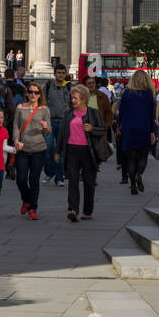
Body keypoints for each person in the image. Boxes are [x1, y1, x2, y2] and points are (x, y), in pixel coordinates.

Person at [55, 84, 106, 220]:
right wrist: (57, 151)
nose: (73, 101)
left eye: (75, 98)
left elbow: (103, 130)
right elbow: (62, 133)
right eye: (72, 98)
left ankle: (87, 211)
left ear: (84, 99)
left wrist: (92, 129)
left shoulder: (93, 113)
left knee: (89, 182)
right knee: (72, 180)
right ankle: (73, 209)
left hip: (88, 151)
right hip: (72, 150)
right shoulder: (68, 113)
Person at [12, 81, 51, 219]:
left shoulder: (44, 109)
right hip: (23, 147)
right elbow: (16, 126)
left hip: (38, 148)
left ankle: (33, 208)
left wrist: (46, 127)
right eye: (30, 92)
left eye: (36, 92)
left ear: (40, 94)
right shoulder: (20, 107)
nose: (33, 95)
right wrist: (16, 140)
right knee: (21, 179)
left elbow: (48, 132)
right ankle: (26, 199)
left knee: (34, 179)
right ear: (27, 93)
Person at [117, 69, 157, 194]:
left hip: (129, 128)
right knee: (143, 156)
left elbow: (121, 112)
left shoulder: (127, 93)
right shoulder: (149, 94)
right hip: (143, 127)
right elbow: (152, 115)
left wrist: (119, 126)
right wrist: (152, 131)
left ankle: (133, 186)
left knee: (131, 158)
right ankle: (139, 174)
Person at [42, 63, 73, 187]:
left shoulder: (69, 87)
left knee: (59, 151)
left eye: (62, 73)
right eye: (58, 72)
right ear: (54, 74)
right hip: (49, 121)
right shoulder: (48, 85)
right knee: (48, 148)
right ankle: (49, 172)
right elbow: (43, 102)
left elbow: (73, 103)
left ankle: (59, 178)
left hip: (63, 121)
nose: (61, 75)